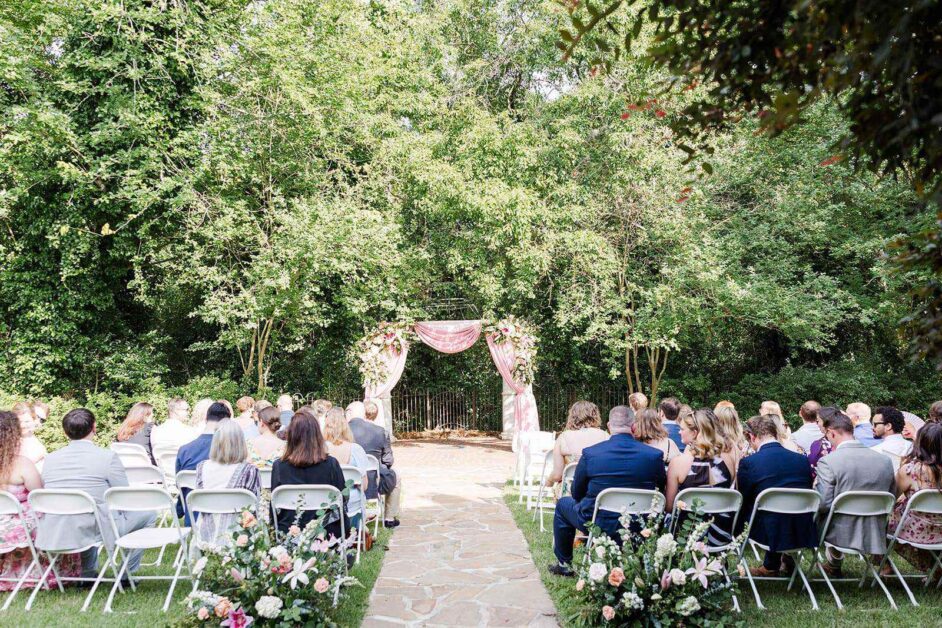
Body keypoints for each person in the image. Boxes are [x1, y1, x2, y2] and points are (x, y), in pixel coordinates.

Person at [37, 408, 156, 580]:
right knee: (149, 515)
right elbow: (123, 496)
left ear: (65, 432)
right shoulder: (107, 457)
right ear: (94, 427)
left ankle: (87, 573)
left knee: (90, 512)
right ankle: (126, 574)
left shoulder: (50, 458)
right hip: (95, 528)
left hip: (57, 526)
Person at [549, 406, 666, 576]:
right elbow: (660, 489)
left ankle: (564, 563)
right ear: (634, 426)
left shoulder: (591, 453)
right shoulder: (654, 455)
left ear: (610, 426)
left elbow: (576, 493)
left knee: (563, 504)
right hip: (638, 523)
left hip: (598, 522)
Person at [0, 410, 79, 590]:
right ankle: (46, 573)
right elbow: (39, 494)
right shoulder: (21, 463)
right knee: (55, 518)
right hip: (17, 524)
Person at [814, 411, 895, 576]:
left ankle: (833, 564)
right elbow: (890, 496)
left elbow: (823, 504)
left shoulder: (828, 461)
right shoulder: (884, 460)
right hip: (876, 529)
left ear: (831, 433)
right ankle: (835, 565)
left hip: (840, 532)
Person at [736, 414, 816, 577]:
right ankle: (779, 560)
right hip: (800, 526)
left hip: (766, 529)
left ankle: (771, 564)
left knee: (750, 508)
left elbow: (743, 498)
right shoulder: (801, 460)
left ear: (752, 436)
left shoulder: (750, 462)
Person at [665, 409, 737, 546]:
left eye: (682, 429)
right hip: (721, 535)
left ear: (695, 433)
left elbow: (669, 507)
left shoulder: (678, 463)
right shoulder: (728, 460)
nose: (679, 432)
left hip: (686, 536)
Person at [271, 412, 348, 539]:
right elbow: (343, 498)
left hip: (288, 530)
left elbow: (274, 505)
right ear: (317, 435)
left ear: (291, 435)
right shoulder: (331, 464)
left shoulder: (279, 466)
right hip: (326, 531)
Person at [887, 422, 942, 575]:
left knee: (881, 519)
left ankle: (884, 566)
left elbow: (890, 499)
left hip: (919, 532)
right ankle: (935, 569)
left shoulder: (910, 471)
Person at [193, 420, 260, 546]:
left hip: (206, 536)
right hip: (239, 537)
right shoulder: (250, 470)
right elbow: (255, 506)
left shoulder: (201, 467)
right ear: (241, 442)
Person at [349, 400, 402, 528]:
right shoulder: (380, 431)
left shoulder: (342, 430)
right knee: (396, 478)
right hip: (372, 481)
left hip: (347, 480)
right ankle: (389, 517)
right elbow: (388, 460)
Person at [176, 402, 231, 523]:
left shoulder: (184, 450)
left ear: (206, 419)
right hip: (222, 515)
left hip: (193, 515)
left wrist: (180, 509)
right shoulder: (229, 451)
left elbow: (180, 485)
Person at [544, 401, 609, 489]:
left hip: (571, 492)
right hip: (598, 491)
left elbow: (557, 475)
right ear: (595, 416)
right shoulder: (605, 436)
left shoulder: (564, 437)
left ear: (572, 416)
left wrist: (549, 480)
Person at [323, 408, 368, 530]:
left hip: (324, 500)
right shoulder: (356, 449)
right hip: (351, 502)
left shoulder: (319, 449)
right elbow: (364, 485)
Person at [871, 407, 911, 471]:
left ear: (888, 426)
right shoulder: (914, 448)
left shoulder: (875, 451)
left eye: (875, 424)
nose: (872, 428)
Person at [12, 402, 46, 470]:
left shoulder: (34, 441)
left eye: (27, 421)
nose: (22, 425)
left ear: (34, 420)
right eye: (19, 421)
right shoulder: (7, 440)